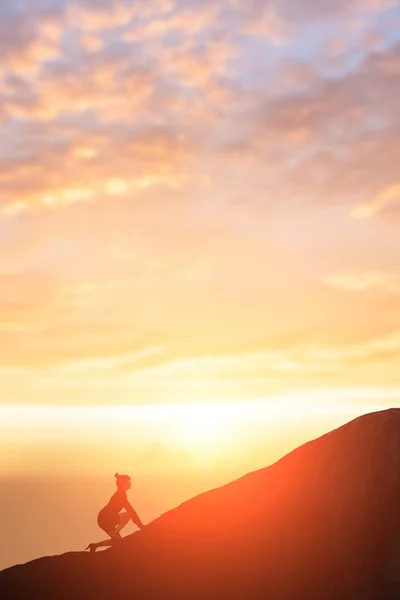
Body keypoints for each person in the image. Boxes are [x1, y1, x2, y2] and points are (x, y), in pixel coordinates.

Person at [86, 473, 145, 552]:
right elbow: (130, 510)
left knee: (116, 541)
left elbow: (130, 511)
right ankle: (115, 533)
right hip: (105, 520)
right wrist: (140, 525)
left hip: (108, 518)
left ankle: (95, 545)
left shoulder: (121, 494)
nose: (130, 483)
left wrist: (139, 524)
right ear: (123, 484)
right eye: (128, 482)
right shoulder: (120, 495)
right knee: (119, 541)